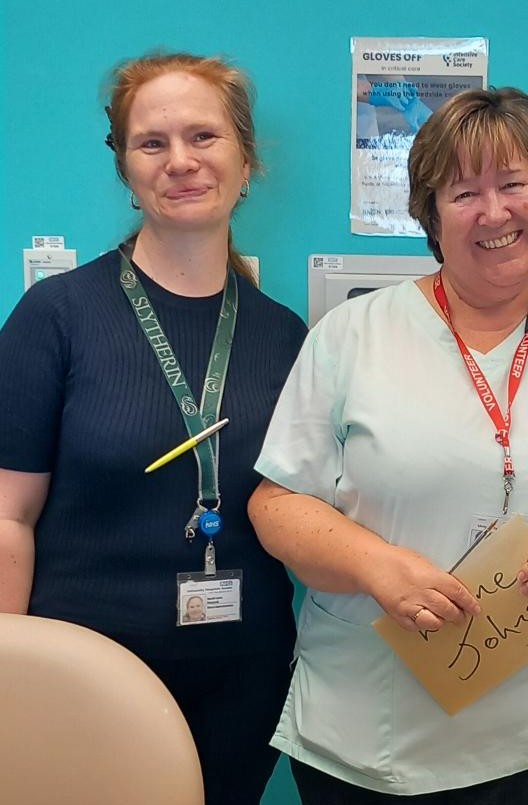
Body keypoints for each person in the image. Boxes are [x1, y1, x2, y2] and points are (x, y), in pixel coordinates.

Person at [248, 86, 528, 804]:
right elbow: (276, 503)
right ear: (431, 216)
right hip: (370, 736)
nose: (494, 211)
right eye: (463, 192)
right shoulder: (352, 338)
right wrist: (374, 563)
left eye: (514, 184)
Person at [0, 52, 307, 804]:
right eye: (152, 142)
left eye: (203, 137)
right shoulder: (57, 316)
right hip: (84, 679)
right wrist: (8, 674)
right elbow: (7, 516)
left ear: (244, 158)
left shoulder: (285, 335)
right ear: (125, 167)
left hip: (246, 677)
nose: (180, 161)